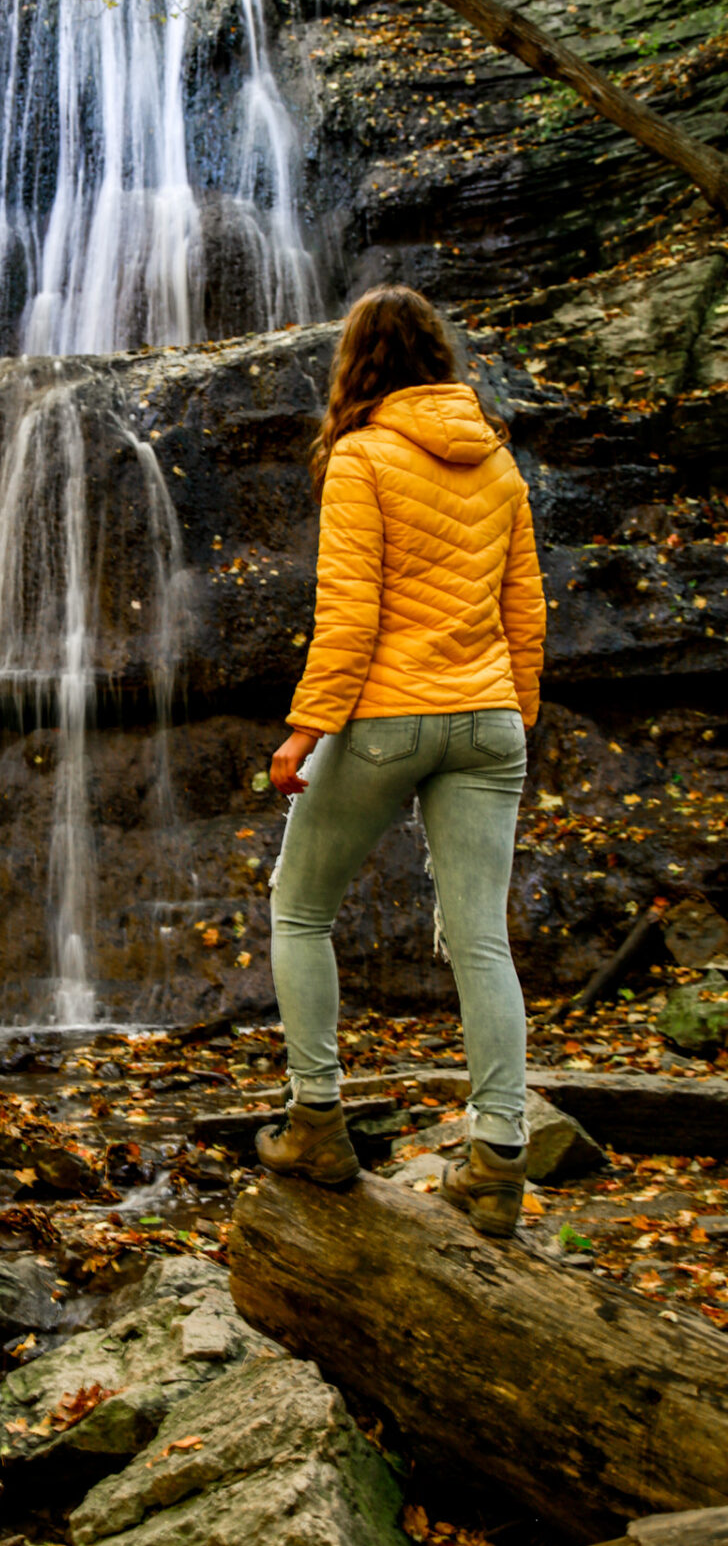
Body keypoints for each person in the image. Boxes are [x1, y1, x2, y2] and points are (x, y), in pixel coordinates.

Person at [256, 285, 546, 1239]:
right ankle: (500, 1162)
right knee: (482, 940)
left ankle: (317, 1125)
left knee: (300, 908)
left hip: (389, 715)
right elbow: (525, 616)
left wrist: (305, 730)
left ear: (359, 363)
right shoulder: (499, 464)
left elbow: (350, 612)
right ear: (441, 359)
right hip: (488, 719)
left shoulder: (363, 455)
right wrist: (513, 723)